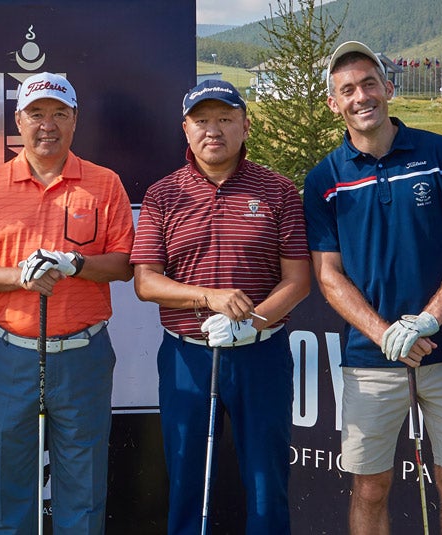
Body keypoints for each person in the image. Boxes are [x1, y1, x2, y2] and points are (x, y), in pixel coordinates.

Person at [303, 41, 442, 535]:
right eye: (347, 90)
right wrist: (383, 331)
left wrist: (427, 320)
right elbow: (328, 274)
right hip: (372, 359)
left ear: (388, 88)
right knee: (369, 487)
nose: (360, 96)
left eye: (369, 83)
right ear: (334, 103)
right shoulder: (324, 178)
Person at [0, 71, 134, 534]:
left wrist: (77, 264)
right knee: (9, 490)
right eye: (36, 114)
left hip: (83, 357)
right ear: (18, 120)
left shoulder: (104, 183)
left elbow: (121, 264)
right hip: (9, 353)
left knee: (84, 489)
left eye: (59, 113)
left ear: (75, 120)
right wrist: (18, 277)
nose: (47, 125)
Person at [131, 79, 311, 534]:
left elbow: (298, 280)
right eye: (202, 121)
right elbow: (146, 282)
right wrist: (207, 297)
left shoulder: (278, 190)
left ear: (245, 126)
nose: (214, 130)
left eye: (226, 119)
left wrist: (253, 322)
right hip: (186, 356)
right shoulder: (162, 194)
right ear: (185, 130)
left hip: (261, 354)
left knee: (267, 482)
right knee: (188, 479)